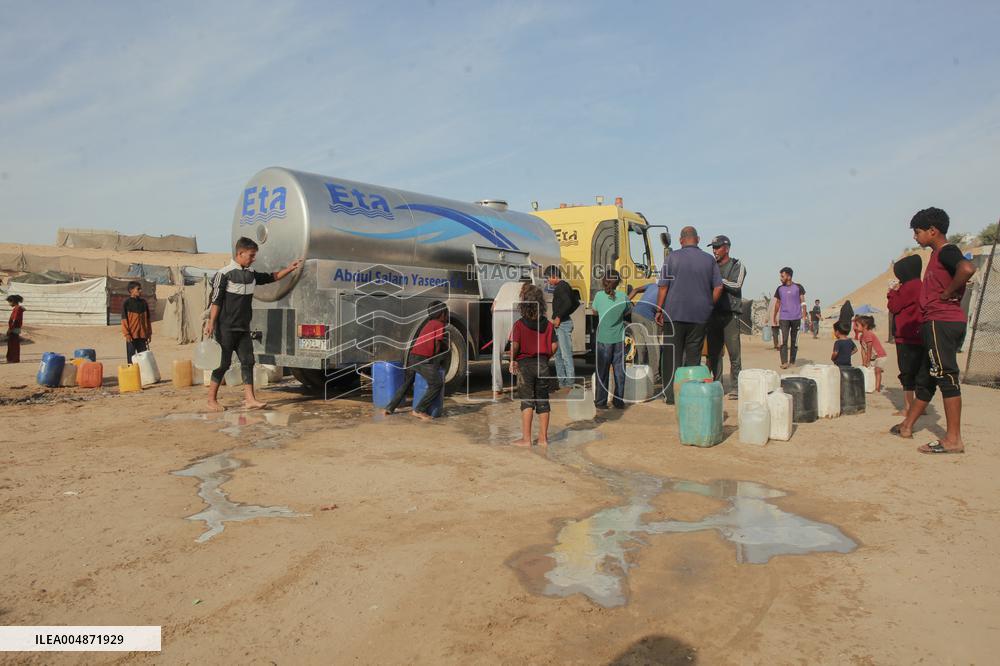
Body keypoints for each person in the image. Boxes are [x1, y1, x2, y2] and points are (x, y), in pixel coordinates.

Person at [892, 208, 976, 454]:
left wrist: (948, 293)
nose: (915, 237)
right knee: (928, 376)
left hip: (942, 321)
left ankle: (953, 440)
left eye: (917, 232)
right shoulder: (937, 256)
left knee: (946, 376)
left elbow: (967, 269)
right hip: (936, 322)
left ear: (932, 230)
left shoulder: (946, 251)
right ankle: (908, 425)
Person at [204, 237, 302, 412]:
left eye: (254, 255)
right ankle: (211, 400)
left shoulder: (251, 275)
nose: (253, 258)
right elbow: (216, 301)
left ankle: (250, 399)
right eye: (251, 255)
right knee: (223, 364)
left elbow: (271, 277)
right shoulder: (223, 274)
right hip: (225, 328)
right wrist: (210, 323)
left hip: (243, 328)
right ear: (240, 253)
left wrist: (290, 268)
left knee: (248, 362)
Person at [655, 226, 723, 403]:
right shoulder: (709, 260)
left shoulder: (672, 258)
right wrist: (709, 304)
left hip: (674, 314)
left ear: (680, 240)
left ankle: (670, 396)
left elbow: (663, 287)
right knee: (693, 356)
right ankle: (690, 394)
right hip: (699, 316)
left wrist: (659, 309)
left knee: (671, 356)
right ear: (698, 239)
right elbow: (718, 287)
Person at [384, 301, 450, 421]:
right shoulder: (439, 324)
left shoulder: (429, 323)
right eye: (446, 313)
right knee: (437, 383)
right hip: (422, 359)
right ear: (441, 314)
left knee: (407, 384)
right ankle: (419, 410)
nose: (447, 315)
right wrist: (434, 361)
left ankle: (389, 408)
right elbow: (437, 344)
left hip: (413, 356)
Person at [509, 286, 556, 447]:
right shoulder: (549, 325)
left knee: (527, 401)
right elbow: (554, 345)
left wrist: (512, 359)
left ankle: (526, 439)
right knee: (543, 401)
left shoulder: (519, 325)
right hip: (542, 364)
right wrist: (546, 357)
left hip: (525, 365)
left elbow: (515, 345)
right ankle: (543, 439)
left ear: (524, 303)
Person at [704, 235, 745, 396]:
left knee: (734, 354)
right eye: (713, 247)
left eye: (717, 247)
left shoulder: (737, 265)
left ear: (726, 248)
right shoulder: (710, 266)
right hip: (713, 315)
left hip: (730, 316)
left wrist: (718, 280)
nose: (714, 250)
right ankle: (718, 384)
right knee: (714, 354)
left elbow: (736, 285)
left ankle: (735, 387)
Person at [887, 254, 924, 415]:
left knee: (907, 372)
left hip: (906, 335)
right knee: (920, 371)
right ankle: (919, 407)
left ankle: (909, 407)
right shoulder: (921, 285)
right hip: (920, 335)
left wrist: (892, 292)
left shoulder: (908, 287)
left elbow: (894, 306)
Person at [592, 269, 630, 409]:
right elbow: (627, 310)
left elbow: (595, 311)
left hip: (603, 339)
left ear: (604, 281)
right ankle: (618, 400)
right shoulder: (623, 296)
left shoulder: (599, 296)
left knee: (602, 372)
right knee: (620, 371)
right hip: (619, 339)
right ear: (618, 282)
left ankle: (601, 402)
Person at [491, 278, 533, 399]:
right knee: (521, 348)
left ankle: (496, 388)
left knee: (496, 352)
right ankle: (524, 384)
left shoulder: (506, 284)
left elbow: (492, 307)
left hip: (498, 313)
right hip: (514, 312)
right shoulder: (527, 287)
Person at [545, 265, 579, 389]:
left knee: (565, 355)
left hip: (563, 324)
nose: (548, 281)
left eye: (548, 278)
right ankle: (562, 382)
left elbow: (569, 302)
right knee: (558, 355)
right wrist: (566, 314)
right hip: (562, 323)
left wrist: (559, 316)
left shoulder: (561, 287)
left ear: (554, 276)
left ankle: (569, 383)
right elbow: (575, 303)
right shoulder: (565, 286)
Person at [770, 267, 807, 369]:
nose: (781, 278)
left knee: (794, 341)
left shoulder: (798, 287)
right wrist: (774, 316)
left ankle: (792, 361)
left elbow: (803, 301)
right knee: (783, 340)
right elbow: (777, 303)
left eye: (782, 276)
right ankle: (784, 362)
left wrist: (804, 314)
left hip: (796, 317)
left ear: (789, 276)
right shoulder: (779, 289)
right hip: (784, 318)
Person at [626, 282, 662, 384]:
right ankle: (654, 376)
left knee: (640, 345)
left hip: (635, 313)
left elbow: (635, 290)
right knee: (653, 346)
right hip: (648, 316)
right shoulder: (666, 290)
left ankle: (638, 374)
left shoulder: (652, 285)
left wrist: (625, 302)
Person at [121, 281, 152, 364]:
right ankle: (132, 375)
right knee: (131, 359)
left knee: (144, 359)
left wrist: (149, 334)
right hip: (131, 336)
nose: (140, 291)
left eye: (140, 289)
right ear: (131, 290)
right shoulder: (126, 303)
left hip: (142, 336)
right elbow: (124, 321)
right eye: (138, 289)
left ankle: (143, 376)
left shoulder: (144, 303)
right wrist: (127, 335)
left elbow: (148, 320)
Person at [858, 316, 888, 391]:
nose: (855, 327)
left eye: (857, 325)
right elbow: (863, 351)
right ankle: (871, 386)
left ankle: (877, 388)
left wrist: (868, 361)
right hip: (872, 357)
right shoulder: (861, 337)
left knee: (877, 370)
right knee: (870, 371)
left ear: (865, 326)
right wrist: (864, 362)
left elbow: (869, 348)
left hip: (880, 356)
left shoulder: (868, 334)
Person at [5, 294, 24, 363]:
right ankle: (12, 358)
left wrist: (10, 329)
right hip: (14, 328)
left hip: (14, 329)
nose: (9, 304)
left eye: (9, 302)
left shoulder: (17, 309)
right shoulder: (18, 308)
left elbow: (15, 319)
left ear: (13, 301)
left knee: (13, 344)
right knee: (13, 344)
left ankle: (13, 359)